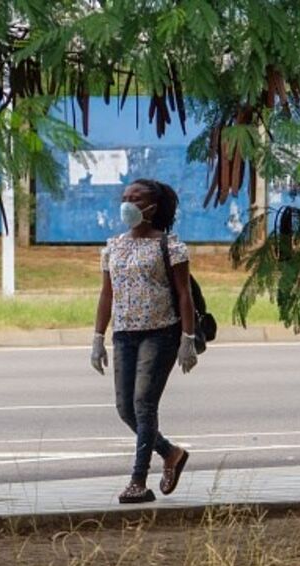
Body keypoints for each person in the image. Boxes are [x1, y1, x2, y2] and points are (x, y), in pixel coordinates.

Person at [91, 178, 197, 504]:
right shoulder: (113, 246)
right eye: (125, 197)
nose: (128, 204)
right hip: (124, 335)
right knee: (125, 409)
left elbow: (184, 295)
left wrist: (188, 338)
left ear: (152, 207)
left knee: (143, 404)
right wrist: (98, 337)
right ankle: (171, 453)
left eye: (136, 199)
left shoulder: (170, 246)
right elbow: (107, 294)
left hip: (161, 333)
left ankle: (138, 480)